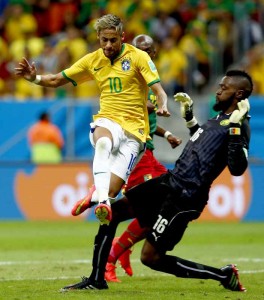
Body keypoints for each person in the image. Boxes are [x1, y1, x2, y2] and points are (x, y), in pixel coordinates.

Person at [61, 69, 252, 292]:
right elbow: (205, 145)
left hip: (186, 197)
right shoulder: (220, 118)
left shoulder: (240, 125)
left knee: (151, 257)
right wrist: (190, 119)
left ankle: (222, 275)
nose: (218, 92)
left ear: (239, 94)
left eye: (224, 88)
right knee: (111, 214)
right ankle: (96, 279)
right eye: (219, 86)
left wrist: (237, 126)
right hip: (170, 181)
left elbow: (238, 168)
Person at [15, 14, 170, 225]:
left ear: (122, 37)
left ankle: (96, 195)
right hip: (108, 120)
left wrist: (162, 104)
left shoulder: (138, 57)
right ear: (98, 36)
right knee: (103, 142)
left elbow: (159, 91)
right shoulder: (93, 60)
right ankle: (102, 202)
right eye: (103, 39)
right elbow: (56, 79)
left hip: (135, 132)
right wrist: (34, 78)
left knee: (113, 189)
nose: (108, 45)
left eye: (113, 40)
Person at [70, 34, 182, 282]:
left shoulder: (147, 81)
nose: (144, 54)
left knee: (165, 204)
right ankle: (113, 251)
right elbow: (136, 107)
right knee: (158, 209)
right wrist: (156, 104)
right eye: (139, 50)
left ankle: (112, 239)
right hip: (137, 154)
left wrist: (168, 133)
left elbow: (150, 119)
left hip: (148, 150)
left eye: (149, 51)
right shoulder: (129, 80)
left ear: (153, 55)